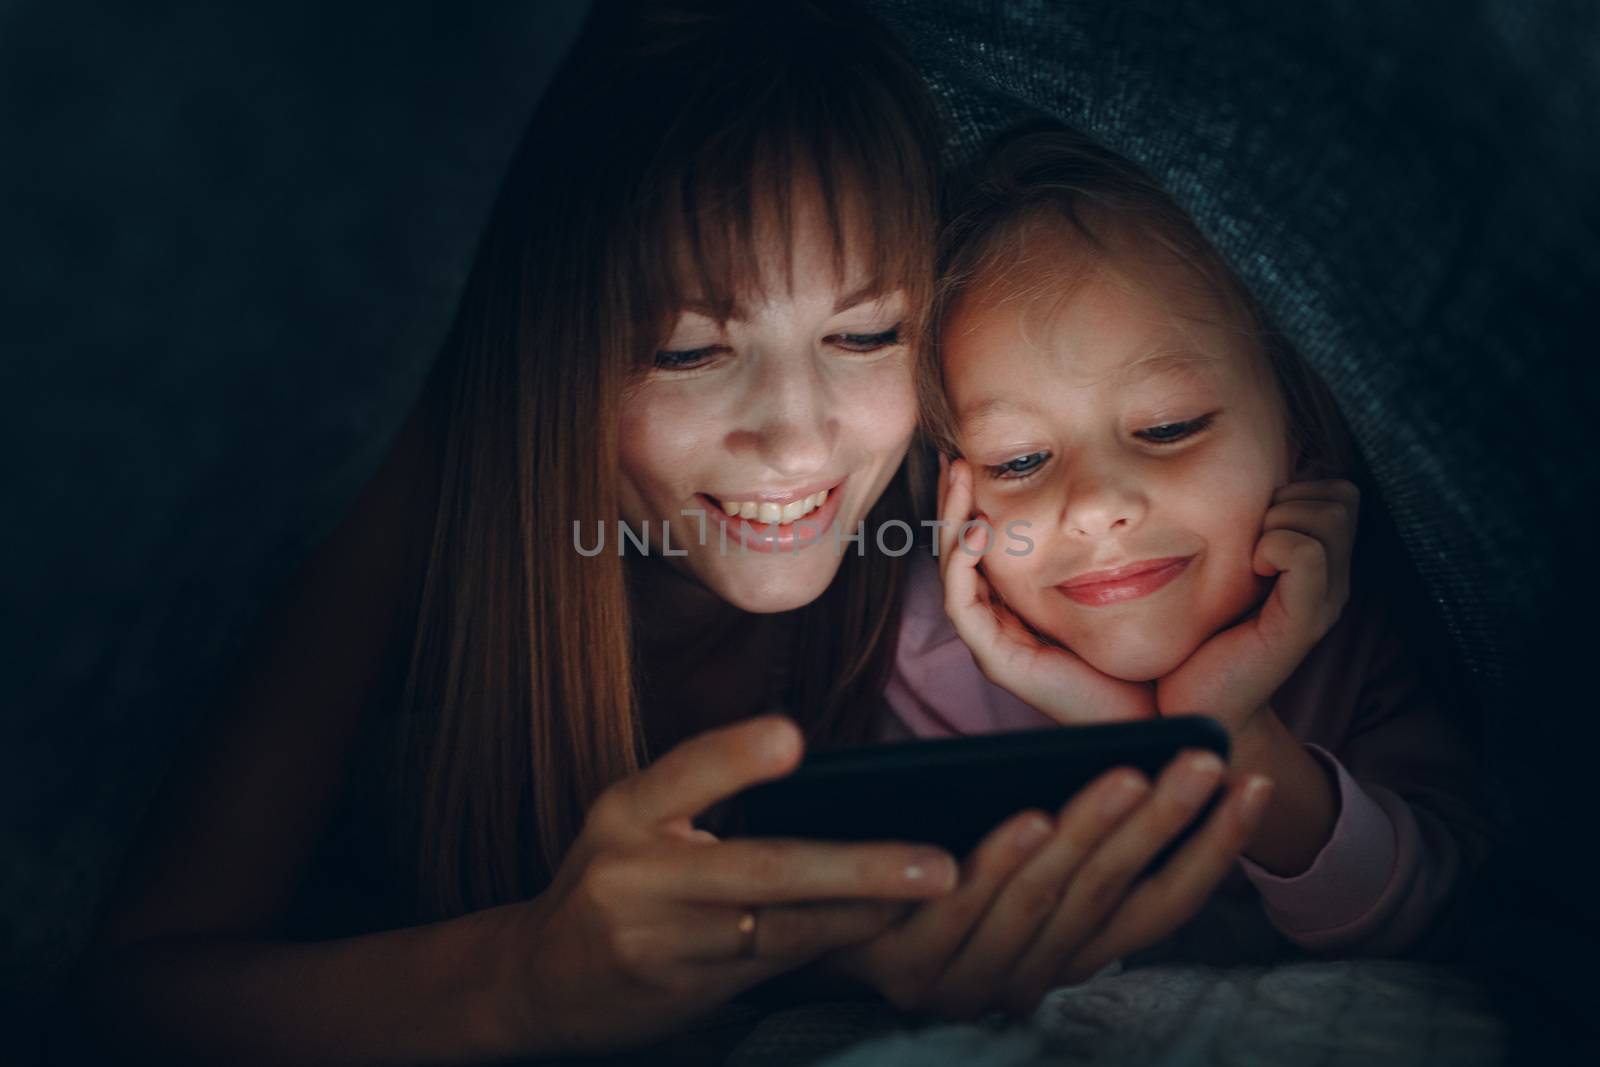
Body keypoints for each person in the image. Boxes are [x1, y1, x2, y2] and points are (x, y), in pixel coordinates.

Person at [60, 7, 1270, 1060]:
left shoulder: (956, 500)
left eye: (863, 336)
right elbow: (125, 1001)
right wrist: (527, 977)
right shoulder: (411, 498)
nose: (798, 443)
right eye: (688, 349)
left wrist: (877, 955)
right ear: (552, 362)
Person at [892, 123, 1495, 961]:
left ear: (1303, 439)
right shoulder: (924, 667)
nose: (1095, 505)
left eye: (1169, 426)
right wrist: (1119, 734)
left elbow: (1431, 909)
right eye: (1019, 459)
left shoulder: (1369, 639)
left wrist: (1233, 733)